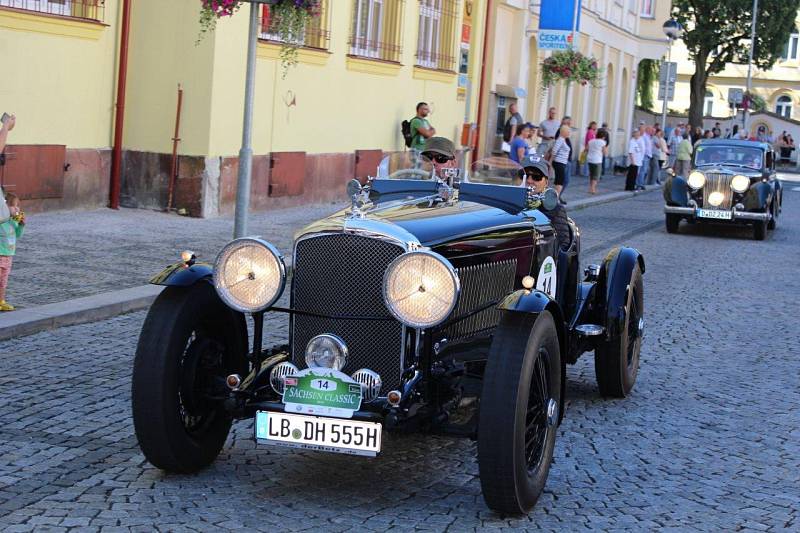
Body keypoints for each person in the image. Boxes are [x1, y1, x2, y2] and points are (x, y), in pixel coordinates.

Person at [519, 154, 571, 250]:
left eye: (536, 177)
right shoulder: (507, 203)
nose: (529, 180)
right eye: (524, 175)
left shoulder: (556, 209)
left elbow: (563, 247)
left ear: (546, 182)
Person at [0, 192, 24, 312]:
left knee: (3, 281)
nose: (17, 209)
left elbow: (17, 235)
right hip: (0, 255)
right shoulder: (1, 222)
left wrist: (21, 225)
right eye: (14, 206)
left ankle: (1, 301)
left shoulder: (13, 222)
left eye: (17, 206)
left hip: (9, 256)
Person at [549, 125, 572, 203]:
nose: (569, 133)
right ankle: (555, 199)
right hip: (559, 162)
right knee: (559, 181)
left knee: (559, 181)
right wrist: (550, 162)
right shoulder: (560, 139)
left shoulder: (563, 139)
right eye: (568, 131)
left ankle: (555, 198)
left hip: (562, 162)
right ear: (564, 132)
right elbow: (554, 151)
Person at [586, 128, 608, 194]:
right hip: (597, 160)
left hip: (590, 159)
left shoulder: (591, 141)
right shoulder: (603, 142)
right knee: (596, 176)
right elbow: (605, 152)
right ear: (603, 136)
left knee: (591, 174)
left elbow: (586, 149)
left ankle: (590, 188)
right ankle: (593, 189)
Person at [636, 125, 652, 190]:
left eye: (643, 130)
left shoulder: (647, 136)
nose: (643, 131)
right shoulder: (641, 137)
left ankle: (641, 183)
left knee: (644, 170)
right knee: (642, 171)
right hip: (643, 155)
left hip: (647, 155)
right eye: (642, 130)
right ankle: (639, 184)